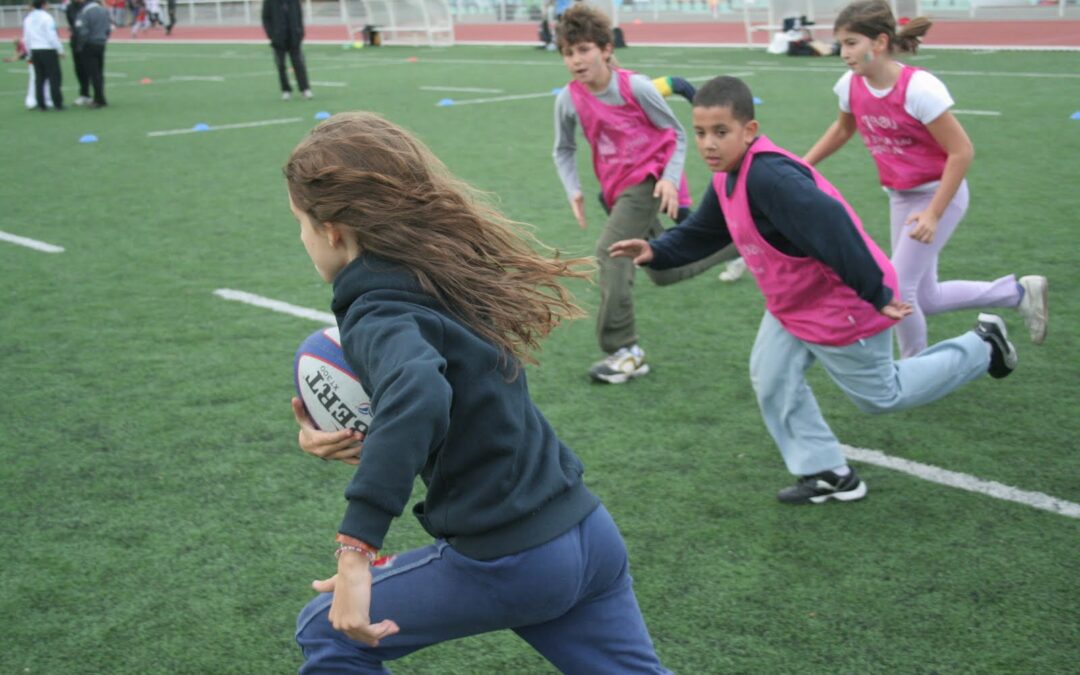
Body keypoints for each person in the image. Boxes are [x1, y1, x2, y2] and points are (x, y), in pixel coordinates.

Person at [284, 111, 672, 673]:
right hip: (587, 533)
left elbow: (418, 391)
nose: (300, 237)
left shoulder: (376, 312)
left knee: (328, 630)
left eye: (299, 222)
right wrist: (370, 436)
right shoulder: (441, 275)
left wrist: (355, 550)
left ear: (333, 231)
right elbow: (450, 400)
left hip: (514, 557)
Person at [610, 76, 1019, 505]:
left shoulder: (772, 178)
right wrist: (655, 251)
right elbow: (703, 233)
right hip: (792, 305)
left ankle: (984, 347)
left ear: (749, 131)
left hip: (844, 303)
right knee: (771, 377)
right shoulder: (726, 178)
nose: (709, 144)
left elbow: (834, 225)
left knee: (882, 395)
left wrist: (877, 293)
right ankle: (827, 471)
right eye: (701, 133)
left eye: (721, 132)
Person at [803, 0, 1047, 357]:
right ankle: (1018, 294)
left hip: (939, 196)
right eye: (841, 44)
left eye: (852, 43)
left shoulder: (919, 89)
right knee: (925, 297)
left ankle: (915, 367)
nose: (844, 53)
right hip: (901, 197)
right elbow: (842, 130)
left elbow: (962, 152)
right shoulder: (850, 85)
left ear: (880, 42)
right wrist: (802, 165)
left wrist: (934, 212)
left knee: (898, 289)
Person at [553, 4, 731, 384]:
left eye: (583, 49)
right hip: (615, 190)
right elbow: (563, 149)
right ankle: (741, 241)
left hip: (647, 182)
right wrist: (575, 191)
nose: (576, 60)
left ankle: (625, 351)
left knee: (610, 253)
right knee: (662, 269)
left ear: (604, 48)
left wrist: (669, 177)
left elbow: (678, 134)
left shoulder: (636, 87)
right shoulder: (568, 99)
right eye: (568, 53)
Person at [262, 0, 312, 101]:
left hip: (294, 37)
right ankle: (286, 90)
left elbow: (299, 15)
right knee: (281, 65)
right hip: (278, 39)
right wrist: (271, 35)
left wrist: (300, 32)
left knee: (299, 64)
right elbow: (265, 18)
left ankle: (305, 89)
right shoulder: (269, 2)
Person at [22, 0, 64, 111]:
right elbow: (52, 36)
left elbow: (26, 38)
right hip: (48, 50)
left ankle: (41, 104)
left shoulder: (28, 19)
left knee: (39, 78)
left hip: (35, 50)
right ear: (44, 4)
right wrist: (60, 49)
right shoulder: (47, 18)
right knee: (54, 77)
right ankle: (57, 103)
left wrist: (29, 52)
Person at [74, 0, 110, 108]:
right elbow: (108, 29)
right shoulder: (104, 11)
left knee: (93, 73)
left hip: (89, 44)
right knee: (99, 72)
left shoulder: (85, 11)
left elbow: (82, 29)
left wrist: (80, 45)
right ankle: (101, 97)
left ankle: (98, 99)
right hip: (101, 43)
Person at [64, 0, 88, 106]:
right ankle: (84, 94)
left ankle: (98, 96)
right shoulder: (70, 7)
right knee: (79, 69)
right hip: (76, 41)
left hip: (89, 41)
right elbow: (72, 22)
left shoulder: (89, 5)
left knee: (94, 70)